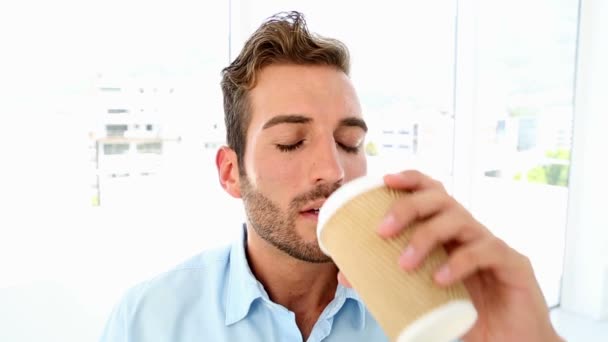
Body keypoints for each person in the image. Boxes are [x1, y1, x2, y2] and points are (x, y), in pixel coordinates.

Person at [100, 11, 563, 342]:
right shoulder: (147, 320)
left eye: (349, 143)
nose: (334, 170)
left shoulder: (432, 316)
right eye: (290, 142)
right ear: (231, 173)